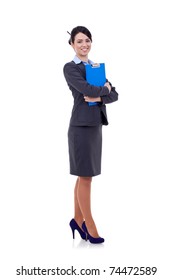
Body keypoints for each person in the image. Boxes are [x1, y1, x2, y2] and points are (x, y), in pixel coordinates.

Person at [63, 26, 118, 244]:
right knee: (86, 176)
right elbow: (88, 89)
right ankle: (89, 224)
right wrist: (102, 91)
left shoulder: (95, 67)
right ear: (72, 45)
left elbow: (114, 94)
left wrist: (100, 97)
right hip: (81, 127)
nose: (84, 44)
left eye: (87, 40)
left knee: (84, 174)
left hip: (94, 125)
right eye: (79, 41)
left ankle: (77, 219)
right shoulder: (70, 68)